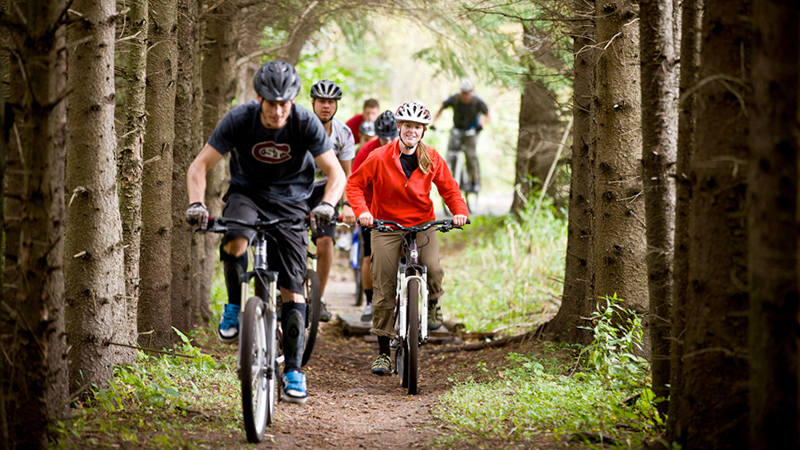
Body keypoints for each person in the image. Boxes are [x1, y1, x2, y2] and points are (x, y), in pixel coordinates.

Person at [185, 60, 345, 404]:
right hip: (248, 193)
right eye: (271, 103)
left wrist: (327, 206)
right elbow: (200, 164)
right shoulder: (240, 119)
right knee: (236, 238)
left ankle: (293, 372)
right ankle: (232, 305)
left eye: (284, 103)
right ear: (259, 98)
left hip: (292, 200)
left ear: (293, 100)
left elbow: (336, 173)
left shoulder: (305, 122)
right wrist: (197, 204)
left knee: (292, 290)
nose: (277, 110)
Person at [346, 102, 468, 376]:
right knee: (384, 282)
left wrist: (459, 212)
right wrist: (363, 212)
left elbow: (450, 189)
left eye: (417, 127)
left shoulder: (432, 157)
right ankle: (383, 353)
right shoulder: (379, 156)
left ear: (423, 131)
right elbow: (354, 184)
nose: (412, 131)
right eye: (407, 126)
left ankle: (433, 303)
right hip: (386, 225)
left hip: (423, 223)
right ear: (399, 128)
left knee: (433, 267)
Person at [308, 79, 357, 322]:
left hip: (327, 190)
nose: (326, 106)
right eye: (321, 102)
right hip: (297, 188)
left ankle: (319, 298)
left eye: (330, 102)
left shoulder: (344, 133)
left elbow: (346, 173)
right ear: (313, 103)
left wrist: (347, 203)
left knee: (325, 242)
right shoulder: (299, 127)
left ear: (335, 105)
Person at [350, 110, 399, 323]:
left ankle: (405, 296)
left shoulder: (406, 148)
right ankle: (370, 301)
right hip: (371, 210)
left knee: (406, 253)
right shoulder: (367, 151)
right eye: (383, 137)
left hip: (399, 209)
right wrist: (360, 210)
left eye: (391, 137)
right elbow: (354, 183)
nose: (387, 141)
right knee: (370, 257)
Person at [429, 77, 491, 193]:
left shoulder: (478, 102)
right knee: (450, 153)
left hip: (471, 132)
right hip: (456, 130)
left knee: (470, 155)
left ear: (472, 92)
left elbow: (488, 116)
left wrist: (480, 125)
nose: (465, 95)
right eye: (463, 92)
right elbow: (440, 109)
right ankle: (448, 178)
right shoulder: (454, 99)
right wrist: (433, 123)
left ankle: (474, 181)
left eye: (467, 93)